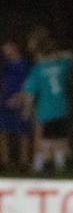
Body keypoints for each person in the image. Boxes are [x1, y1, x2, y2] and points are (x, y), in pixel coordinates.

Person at [21, 37, 73, 174]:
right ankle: (60, 167)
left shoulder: (37, 70)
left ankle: (46, 169)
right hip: (61, 109)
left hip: (45, 111)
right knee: (60, 139)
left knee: (46, 141)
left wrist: (26, 110)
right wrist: (57, 55)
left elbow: (29, 93)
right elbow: (70, 55)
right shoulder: (61, 65)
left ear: (40, 55)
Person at [0, 39, 30, 171]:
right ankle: (5, 161)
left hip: (20, 102)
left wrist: (19, 97)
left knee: (22, 132)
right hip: (3, 102)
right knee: (3, 131)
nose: (4, 51)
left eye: (7, 47)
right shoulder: (4, 65)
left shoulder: (24, 64)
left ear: (14, 47)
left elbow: (29, 83)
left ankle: (23, 161)